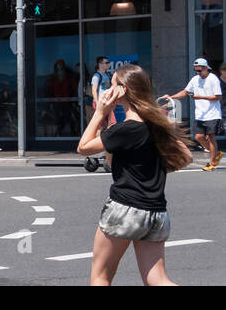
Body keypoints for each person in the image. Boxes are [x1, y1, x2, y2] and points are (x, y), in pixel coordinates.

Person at [78, 64, 191, 285]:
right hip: (157, 212)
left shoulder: (126, 129)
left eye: (111, 87)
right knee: (157, 279)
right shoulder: (157, 123)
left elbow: (83, 147)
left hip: (124, 208)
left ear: (123, 91)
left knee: (100, 276)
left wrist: (101, 112)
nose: (107, 92)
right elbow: (186, 156)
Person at [161, 58, 223, 170]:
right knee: (198, 137)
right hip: (200, 114)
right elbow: (185, 92)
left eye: (200, 70)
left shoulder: (213, 79)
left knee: (210, 137)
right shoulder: (195, 79)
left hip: (212, 114)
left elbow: (218, 97)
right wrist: (171, 97)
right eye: (196, 71)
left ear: (206, 68)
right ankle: (216, 153)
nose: (198, 73)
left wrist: (200, 97)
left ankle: (212, 162)